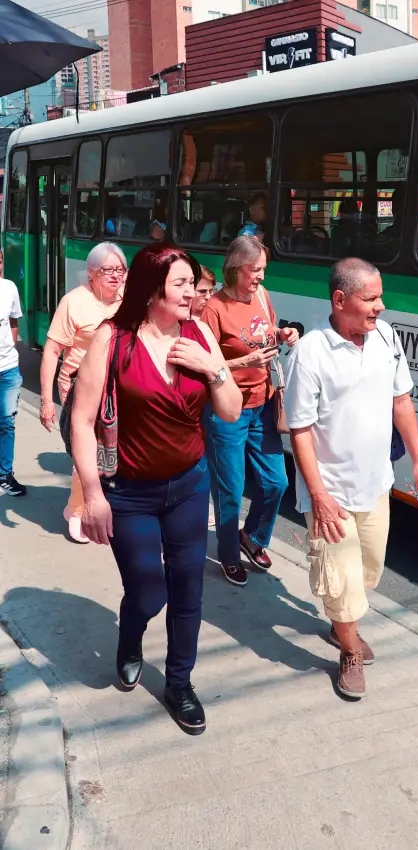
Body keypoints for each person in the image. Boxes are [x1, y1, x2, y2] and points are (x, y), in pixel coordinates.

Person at [71, 244, 242, 735]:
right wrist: (93, 496)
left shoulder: (199, 333)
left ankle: (180, 683)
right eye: (183, 285)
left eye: (194, 284)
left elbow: (229, 410)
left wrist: (213, 368)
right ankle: (131, 635)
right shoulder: (114, 338)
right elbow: (82, 421)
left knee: (188, 589)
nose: (194, 293)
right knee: (148, 587)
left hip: (188, 487)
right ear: (152, 291)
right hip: (128, 495)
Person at [283, 258, 418, 701]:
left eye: (380, 297)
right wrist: (318, 495)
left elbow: (400, 400)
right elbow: (300, 430)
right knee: (341, 580)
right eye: (371, 299)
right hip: (332, 494)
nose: (381, 307)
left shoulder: (386, 338)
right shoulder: (311, 353)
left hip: (376, 484)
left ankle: (340, 620)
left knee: (367, 572)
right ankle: (348, 650)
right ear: (340, 300)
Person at [201, 237, 298, 586]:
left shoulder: (261, 295)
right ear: (236, 267)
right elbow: (204, 364)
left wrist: (281, 332)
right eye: (255, 270)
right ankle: (228, 555)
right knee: (231, 488)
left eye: (262, 271)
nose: (260, 277)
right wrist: (246, 360)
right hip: (227, 410)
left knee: (277, 482)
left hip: (263, 404)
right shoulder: (213, 308)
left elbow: (263, 330)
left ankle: (253, 537)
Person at [39, 243, 127, 542]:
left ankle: (97, 503)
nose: (116, 276)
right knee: (86, 447)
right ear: (92, 274)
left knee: (112, 450)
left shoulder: (129, 300)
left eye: (121, 270)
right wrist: (45, 401)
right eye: (108, 270)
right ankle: (78, 510)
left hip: (118, 388)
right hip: (78, 387)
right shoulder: (73, 302)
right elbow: (52, 351)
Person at [190, 265, 218, 530]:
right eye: (202, 291)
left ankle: (200, 505)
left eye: (212, 290)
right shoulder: (180, 324)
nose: (208, 297)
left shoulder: (206, 322)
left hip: (206, 402)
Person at [0, 250, 23, 498]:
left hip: (7, 369)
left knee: (6, 423)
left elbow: (13, 321)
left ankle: (5, 474)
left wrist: (11, 349)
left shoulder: (9, 288)